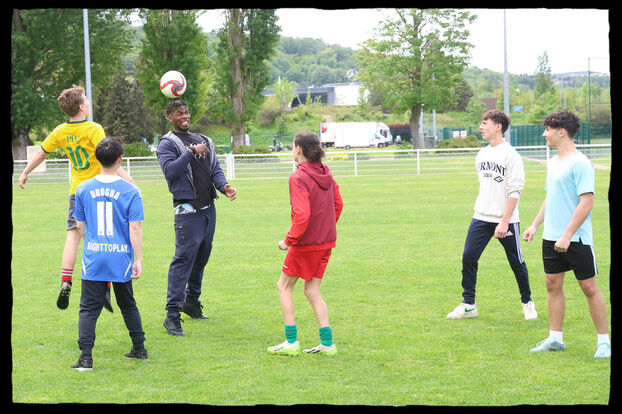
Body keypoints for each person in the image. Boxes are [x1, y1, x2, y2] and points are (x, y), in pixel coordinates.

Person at [18, 85, 133, 312]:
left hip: (76, 192)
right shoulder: (94, 128)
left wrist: (25, 172)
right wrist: (130, 181)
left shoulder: (61, 131)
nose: (89, 103)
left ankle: (66, 280)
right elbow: (105, 157)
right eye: (87, 101)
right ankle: (106, 287)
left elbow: (42, 152)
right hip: (99, 190)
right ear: (81, 106)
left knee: (73, 236)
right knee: (103, 239)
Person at [523, 110, 610, 358]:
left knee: (588, 287)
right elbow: (550, 198)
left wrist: (567, 235)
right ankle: (555, 339)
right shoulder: (553, 162)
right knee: (552, 285)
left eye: (548, 129)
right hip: (551, 237)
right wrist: (535, 225)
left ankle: (604, 342)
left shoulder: (581, 163)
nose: (544, 134)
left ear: (562, 132)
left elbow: (587, 203)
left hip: (576, 239)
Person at [156, 100, 237, 336]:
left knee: (201, 258)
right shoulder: (167, 143)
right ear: (169, 117)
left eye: (187, 111)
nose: (185, 115)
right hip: (186, 210)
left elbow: (215, 171)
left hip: (208, 208)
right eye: (179, 113)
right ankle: (172, 314)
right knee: (183, 260)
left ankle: (191, 302)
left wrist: (225, 187)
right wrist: (190, 152)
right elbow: (171, 172)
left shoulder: (205, 140)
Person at [447, 109, 537, 320]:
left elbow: (515, 191)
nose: (481, 127)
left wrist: (504, 222)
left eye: (485, 123)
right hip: (481, 216)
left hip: (506, 220)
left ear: (498, 126)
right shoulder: (482, 154)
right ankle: (468, 304)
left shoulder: (511, 155)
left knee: (517, 262)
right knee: (469, 257)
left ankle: (527, 303)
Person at [71, 137, 146, 371]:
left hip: (94, 256)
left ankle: (85, 358)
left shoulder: (83, 188)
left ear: (96, 159)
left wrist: (92, 244)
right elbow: (135, 227)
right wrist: (138, 258)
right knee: (128, 304)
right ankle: (139, 348)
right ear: (121, 160)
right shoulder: (131, 191)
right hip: (121, 256)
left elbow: (79, 224)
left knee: (88, 308)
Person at [267, 131, 343, 356]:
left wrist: (289, 241)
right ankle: (328, 344)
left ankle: (291, 342)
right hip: (326, 242)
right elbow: (338, 205)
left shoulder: (298, 177)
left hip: (306, 244)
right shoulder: (326, 173)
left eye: (292, 147)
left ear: (298, 149)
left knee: (284, 286)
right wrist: (324, 228)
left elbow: (302, 215)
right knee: (312, 290)